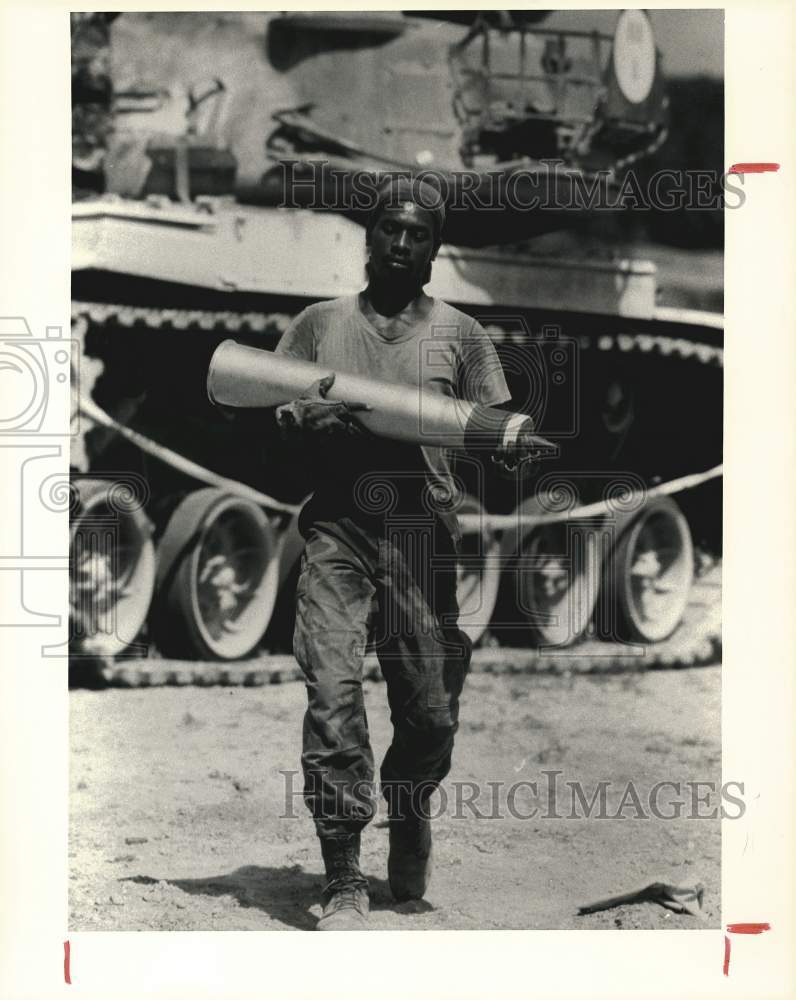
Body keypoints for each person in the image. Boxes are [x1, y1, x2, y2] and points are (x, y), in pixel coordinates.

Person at [274, 176, 532, 930]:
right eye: (389, 229)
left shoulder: (462, 334)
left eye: (417, 234)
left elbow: (495, 422)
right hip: (339, 531)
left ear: (434, 249)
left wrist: (509, 451)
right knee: (331, 693)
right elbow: (271, 405)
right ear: (369, 237)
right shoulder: (319, 324)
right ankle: (345, 873)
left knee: (429, 713)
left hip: (423, 537)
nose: (400, 243)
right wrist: (301, 425)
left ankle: (410, 807)